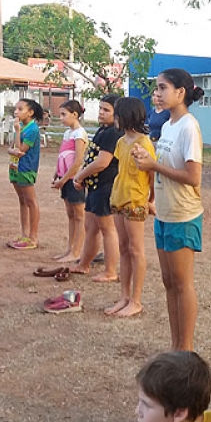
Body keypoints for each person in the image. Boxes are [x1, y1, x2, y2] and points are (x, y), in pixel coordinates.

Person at [133, 68, 204, 351]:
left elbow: (192, 177)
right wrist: (148, 160)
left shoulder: (188, 126)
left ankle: (184, 349)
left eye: (162, 88)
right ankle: (176, 346)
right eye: (156, 88)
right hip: (164, 212)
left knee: (182, 283)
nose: (157, 93)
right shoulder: (169, 125)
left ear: (180, 93)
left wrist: (153, 165)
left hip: (182, 215)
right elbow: (164, 167)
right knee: (168, 282)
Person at [107, 97, 155, 317]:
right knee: (124, 249)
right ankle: (124, 296)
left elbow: (152, 174)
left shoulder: (144, 143)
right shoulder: (121, 142)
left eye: (117, 113)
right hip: (118, 198)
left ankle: (136, 300)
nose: (114, 117)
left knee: (136, 250)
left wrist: (151, 200)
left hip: (135, 200)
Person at [70, 94, 123, 282]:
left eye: (106, 110)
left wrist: (80, 175)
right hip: (94, 186)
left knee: (107, 228)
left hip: (105, 186)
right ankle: (84, 264)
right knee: (90, 226)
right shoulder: (103, 130)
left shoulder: (113, 133)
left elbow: (102, 162)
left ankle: (110, 271)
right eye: (100, 108)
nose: (101, 112)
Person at [51, 100, 88, 263]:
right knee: (71, 214)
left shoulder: (80, 133)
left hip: (74, 179)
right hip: (65, 178)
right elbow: (63, 155)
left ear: (75, 114)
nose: (61, 118)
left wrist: (65, 178)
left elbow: (78, 161)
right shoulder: (68, 133)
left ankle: (77, 250)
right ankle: (70, 248)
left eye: (64, 114)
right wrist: (57, 174)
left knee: (79, 215)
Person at [6, 98, 43, 250]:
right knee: (22, 201)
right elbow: (12, 147)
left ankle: (33, 237)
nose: (16, 112)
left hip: (26, 168)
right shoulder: (20, 126)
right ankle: (24, 234)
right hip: (15, 167)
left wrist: (17, 132)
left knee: (30, 201)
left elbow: (21, 150)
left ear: (30, 112)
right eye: (15, 109)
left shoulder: (32, 129)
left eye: (20, 109)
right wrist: (12, 149)